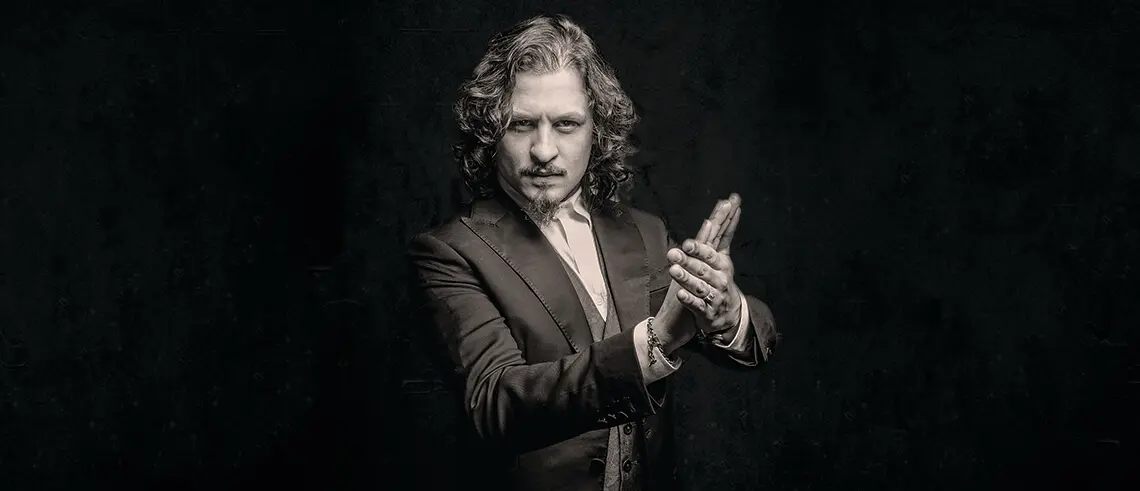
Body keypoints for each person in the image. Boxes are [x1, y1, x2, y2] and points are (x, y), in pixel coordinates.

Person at [406, 14, 779, 491]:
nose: (544, 150)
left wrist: (726, 312)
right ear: (491, 132)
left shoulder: (644, 232)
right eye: (522, 124)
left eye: (566, 124)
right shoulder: (449, 251)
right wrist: (655, 342)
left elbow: (759, 339)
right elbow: (495, 403)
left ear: (596, 130)